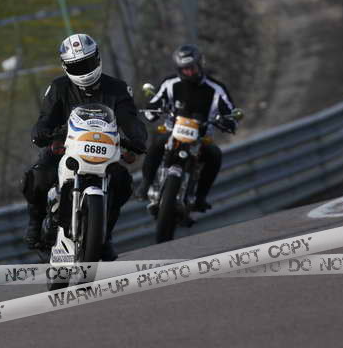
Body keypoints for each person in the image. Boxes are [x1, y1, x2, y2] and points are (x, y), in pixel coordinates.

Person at [20, 33, 147, 261]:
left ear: (97, 59)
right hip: (65, 148)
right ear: (65, 66)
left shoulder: (117, 89)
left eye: (87, 64)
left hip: (103, 151)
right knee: (38, 177)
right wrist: (41, 132)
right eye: (77, 66)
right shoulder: (58, 87)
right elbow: (45, 118)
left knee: (123, 183)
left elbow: (130, 119)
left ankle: (104, 235)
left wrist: (137, 138)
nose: (84, 71)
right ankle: (35, 223)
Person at [137, 44, 238, 212]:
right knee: (156, 144)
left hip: (201, 138)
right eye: (185, 69)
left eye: (192, 68)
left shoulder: (216, 89)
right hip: (172, 132)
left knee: (215, 155)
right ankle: (145, 184)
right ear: (179, 69)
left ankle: (200, 197)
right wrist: (153, 110)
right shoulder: (170, 84)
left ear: (200, 65)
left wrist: (228, 121)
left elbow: (230, 113)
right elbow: (155, 102)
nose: (189, 72)